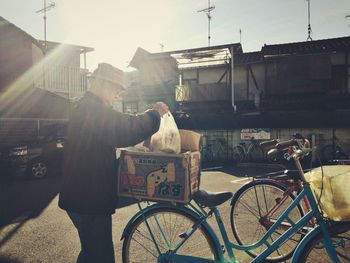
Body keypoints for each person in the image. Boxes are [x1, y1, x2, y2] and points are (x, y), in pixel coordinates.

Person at [58, 63, 168, 263]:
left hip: (81, 195)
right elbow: (125, 128)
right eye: (115, 89)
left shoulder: (83, 107)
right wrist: (154, 115)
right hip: (88, 198)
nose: (117, 94)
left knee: (90, 252)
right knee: (100, 257)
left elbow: (99, 143)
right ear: (101, 84)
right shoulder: (92, 109)